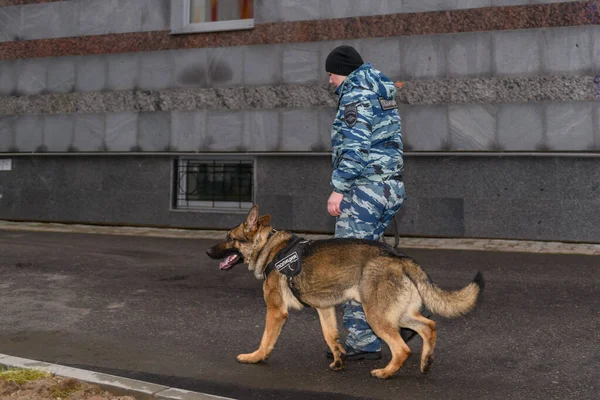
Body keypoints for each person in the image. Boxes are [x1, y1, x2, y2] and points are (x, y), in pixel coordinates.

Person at [324, 45, 407, 361]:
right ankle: (397, 319)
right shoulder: (381, 88)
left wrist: (339, 188)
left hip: (364, 190)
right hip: (388, 187)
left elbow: (356, 148)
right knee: (374, 264)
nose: (331, 81)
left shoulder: (356, 94)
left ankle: (363, 340)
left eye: (331, 74)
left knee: (352, 266)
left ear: (342, 70)